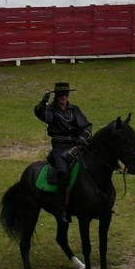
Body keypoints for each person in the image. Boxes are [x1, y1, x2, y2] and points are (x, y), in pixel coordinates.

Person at [34, 82, 92, 223]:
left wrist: (82, 138)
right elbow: (40, 113)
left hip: (76, 145)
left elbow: (87, 126)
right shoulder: (51, 110)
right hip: (60, 146)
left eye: (66, 94)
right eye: (61, 95)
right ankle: (62, 208)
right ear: (56, 96)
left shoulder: (74, 110)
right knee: (64, 173)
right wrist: (43, 101)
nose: (64, 97)